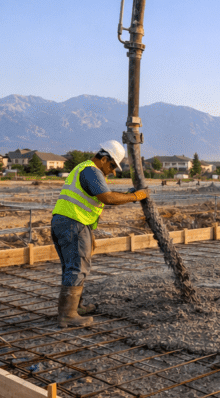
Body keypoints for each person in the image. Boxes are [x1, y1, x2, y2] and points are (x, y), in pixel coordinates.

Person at [50, 140, 148, 327]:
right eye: (112, 165)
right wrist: (136, 196)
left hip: (66, 222)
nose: (112, 171)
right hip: (74, 222)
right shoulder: (92, 171)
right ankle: (68, 315)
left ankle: (74, 309)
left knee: (72, 266)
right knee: (77, 267)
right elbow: (107, 197)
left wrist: (90, 233)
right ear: (103, 159)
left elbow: (93, 200)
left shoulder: (82, 168)